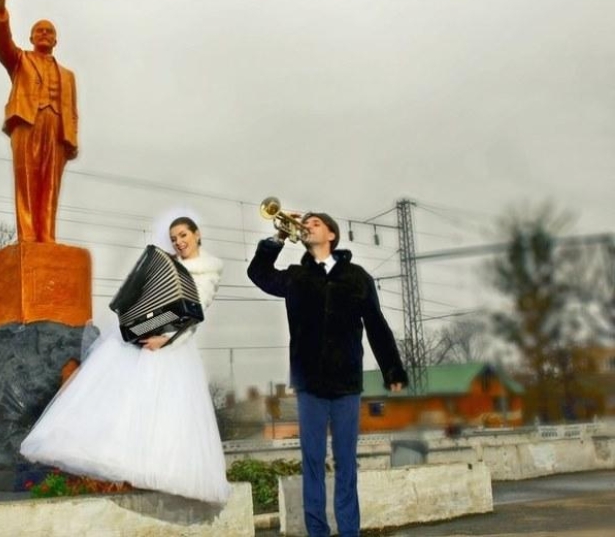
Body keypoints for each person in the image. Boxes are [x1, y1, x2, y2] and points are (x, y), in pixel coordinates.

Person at [20, 217, 231, 504]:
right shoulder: (169, 262)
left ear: (197, 234)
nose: (179, 242)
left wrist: (165, 340)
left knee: (164, 414)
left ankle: (158, 475)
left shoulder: (208, 271)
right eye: (174, 238)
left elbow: (194, 317)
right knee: (126, 401)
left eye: (183, 235)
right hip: (147, 339)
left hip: (172, 349)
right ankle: (121, 467)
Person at [247, 211, 408, 537]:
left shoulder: (357, 277)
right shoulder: (295, 277)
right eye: (304, 224)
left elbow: (376, 325)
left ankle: (350, 532)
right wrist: (278, 236)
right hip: (309, 384)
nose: (307, 226)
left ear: (331, 234)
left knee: (347, 465)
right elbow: (259, 274)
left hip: (347, 383)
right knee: (313, 465)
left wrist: (393, 368)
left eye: (315, 223)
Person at [0, 0, 79, 243]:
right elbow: (1, 45)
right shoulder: (20, 60)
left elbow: (72, 111)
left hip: (56, 128)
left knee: (50, 184)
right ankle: (28, 235)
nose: (44, 33)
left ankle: (47, 235)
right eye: (39, 30)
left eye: (49, 31)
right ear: (31, 37)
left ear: (56, 40)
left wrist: (72, 139)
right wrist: (1, 13)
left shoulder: (68, 75)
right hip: (27, 122)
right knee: (27, 179)